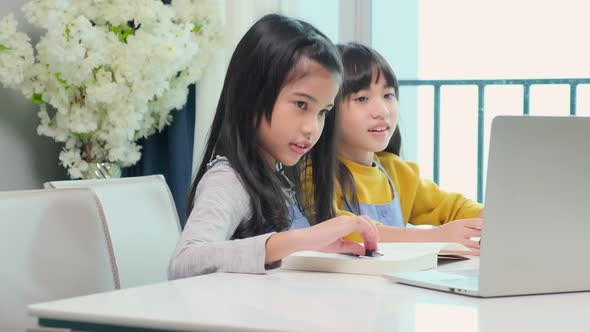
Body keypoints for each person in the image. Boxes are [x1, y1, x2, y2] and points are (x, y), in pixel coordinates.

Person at [168, 15, 378, 279]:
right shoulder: (227, 180)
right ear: (252, 96)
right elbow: (183, 263)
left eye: (323, 112)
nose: (312, 128)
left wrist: (308, 247)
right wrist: (297, 240)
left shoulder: (280, 173)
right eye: (301, 105)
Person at [332, 43, 482, 253]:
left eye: (388, 95)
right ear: (328, 108)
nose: (382, 111)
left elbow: (451, 206)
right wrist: (437, 237)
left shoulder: (397, 171)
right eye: (362, 98)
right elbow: (343, 230)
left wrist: (493, 219)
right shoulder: (315, 176)